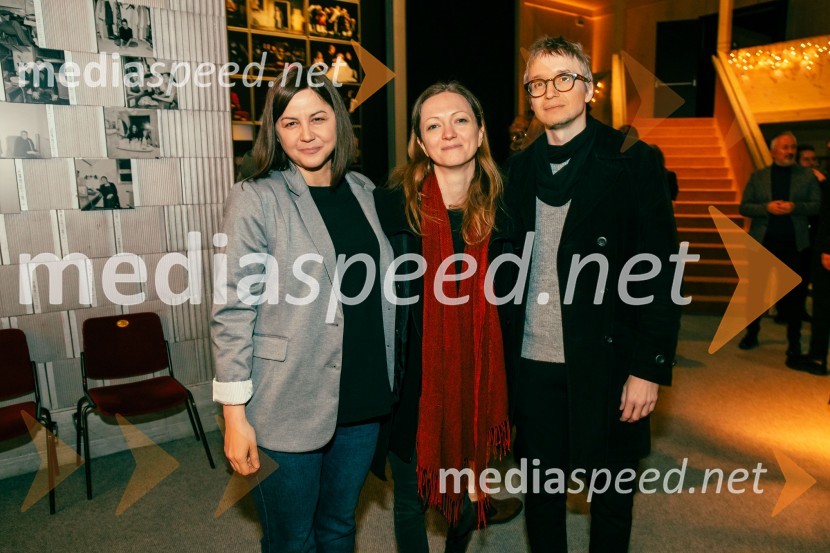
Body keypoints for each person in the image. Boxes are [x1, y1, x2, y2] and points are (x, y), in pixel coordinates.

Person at [504, 36, 680, 552]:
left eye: (564, 79)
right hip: (533, 361)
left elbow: (662, 271)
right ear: (529, 97)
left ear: (589, 89)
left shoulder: (632, 161)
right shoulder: (516, 170)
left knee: (610, 494)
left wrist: (648, 367)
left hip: (609, 361)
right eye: (538, 83)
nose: (551, 91)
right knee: (542, 492)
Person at [211, 66, 396, 553]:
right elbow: (232, 310)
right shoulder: (256, 198)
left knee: (339, 525)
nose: (307, 134)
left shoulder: (365, 192)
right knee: (292, 538)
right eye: (290, 123)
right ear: (274, 131)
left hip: (361, 394)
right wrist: (234, 416)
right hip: (286, 400)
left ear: (338, 120)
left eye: (317, 117)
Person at [372, 82, 521, 553]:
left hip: (478, 380)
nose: (448, 132)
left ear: (479, 133)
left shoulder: (510, 211)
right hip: (410, 379)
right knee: (410, 501)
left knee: (465, 490)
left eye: (460, 120)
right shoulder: (388, 207)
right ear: (419, 141)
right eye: (433, 125)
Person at [738, 132, 821, 365]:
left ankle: (794, 343)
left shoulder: (807, 176)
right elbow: (744, 207)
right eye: (784, 147)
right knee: (756, 294)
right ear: (773, 151)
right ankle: (751, 333)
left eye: (792, 147)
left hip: (796, 245)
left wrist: (795, 206)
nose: (790, 151)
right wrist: (767, 207)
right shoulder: (759, 176)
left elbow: (816, 206)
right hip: (763, 244)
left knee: (796, 296)